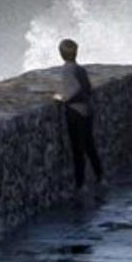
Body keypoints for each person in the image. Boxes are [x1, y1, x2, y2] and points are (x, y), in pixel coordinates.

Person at [53, 39, 104, 194]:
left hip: (75, 113)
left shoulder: (67, 70)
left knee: (78, 149)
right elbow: (88, 89)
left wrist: (63, 99)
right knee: (89, 146)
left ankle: (80, 184)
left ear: (61, 54)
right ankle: (100, 176)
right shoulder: (80, 69)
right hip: (87, 111)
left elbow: (74, 91)